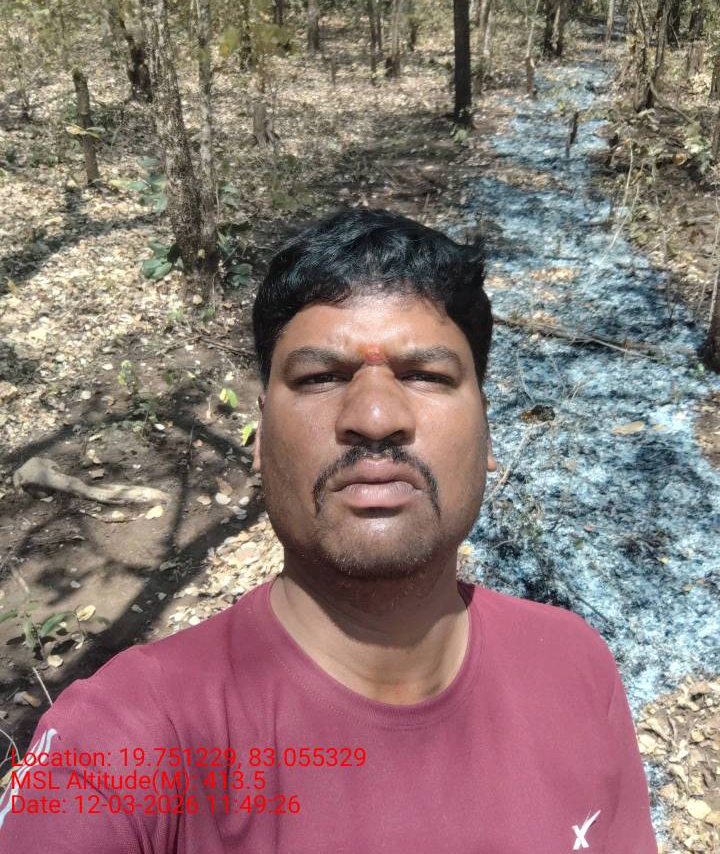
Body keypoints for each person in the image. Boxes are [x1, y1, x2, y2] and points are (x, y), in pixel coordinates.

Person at [0, 209, 658, 853]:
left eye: (425, 375)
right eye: (320, 378)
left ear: (488, 431)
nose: (374, 416)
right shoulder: (122, 743)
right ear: (260, 438)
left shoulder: (576, 667)